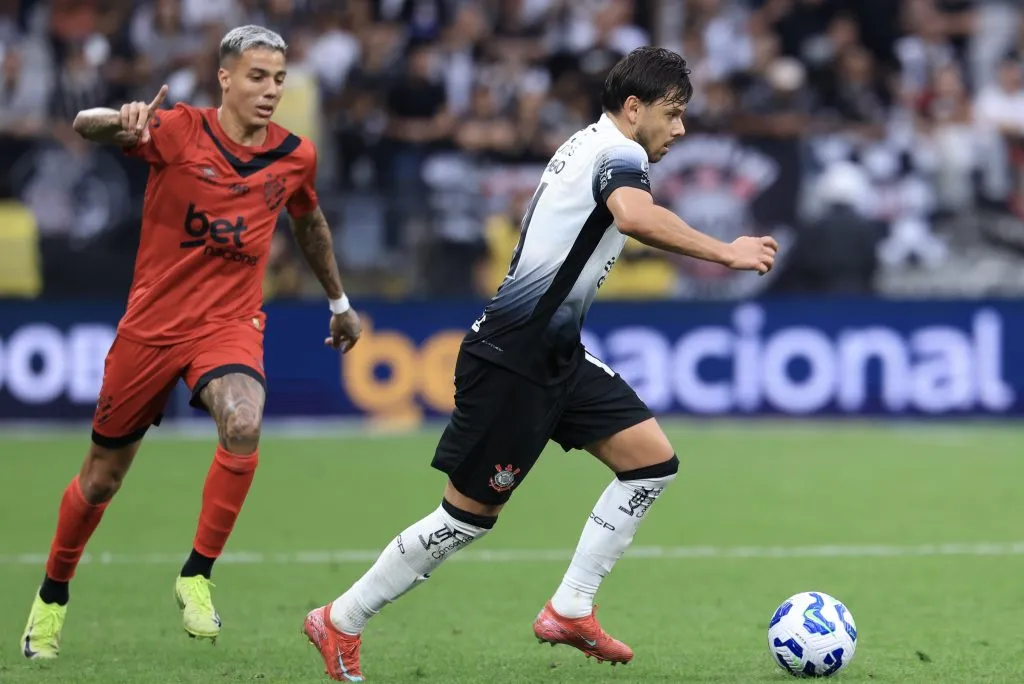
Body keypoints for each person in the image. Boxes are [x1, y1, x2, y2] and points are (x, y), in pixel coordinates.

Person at [303, 46, 777, 682]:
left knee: (651, 462)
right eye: (674, 113)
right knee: (465, 519)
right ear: (633, 109)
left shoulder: (588, 144)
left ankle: (570, 607)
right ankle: (340, 618)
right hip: (511, 362)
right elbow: (635, 218)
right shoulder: (620, 153)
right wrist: (727, 252)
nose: (681, 129)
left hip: (553, 355)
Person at [21, 25, 362, 660]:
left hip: (226, 325)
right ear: (225, 79)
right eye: (257, 77)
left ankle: (197, 574)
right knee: (100, 480)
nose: (270, 91)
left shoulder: (295, 156)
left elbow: (309, 220)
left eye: (279, 80)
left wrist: (339, 303)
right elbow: (82, 125)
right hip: (150, 330)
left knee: (243, 420)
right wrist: (116, 117)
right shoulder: (175, 129)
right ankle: (51, 596)